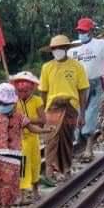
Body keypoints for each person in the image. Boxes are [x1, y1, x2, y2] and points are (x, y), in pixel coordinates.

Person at [39, 35, 89, 181]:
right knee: (51, 139)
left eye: (60, 48)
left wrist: (83, 114)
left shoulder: (77, 66)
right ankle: (49, 170)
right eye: (54, 48)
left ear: (67, 49)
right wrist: (42, 113)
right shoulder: (47, 67)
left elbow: (82, 91)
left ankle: (65, 169)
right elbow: (43, 91)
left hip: (70, 108)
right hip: (52, 108)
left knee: (66, 140)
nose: (57, 50)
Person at [68, 18, 104, 161]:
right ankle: (79, 145)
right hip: (77, 86)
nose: (81, 33)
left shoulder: (103, 45)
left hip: (95, 83)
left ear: (91, 31)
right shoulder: (73, 47)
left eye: (84, 31)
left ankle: (89, 149)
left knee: (90, 116)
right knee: (77, 117)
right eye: (79, 31)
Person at [10, 72, 45, 204]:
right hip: (19, 139)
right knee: (22, 166)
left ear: (31, 89)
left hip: (33, 138)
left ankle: (35, 190)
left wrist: (27, 120)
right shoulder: (14, 102)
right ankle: (21, 194)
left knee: (35, 164)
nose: (22, 93)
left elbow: (43, 120)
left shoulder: (37, 100)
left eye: (25, 91)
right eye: (19, 91)